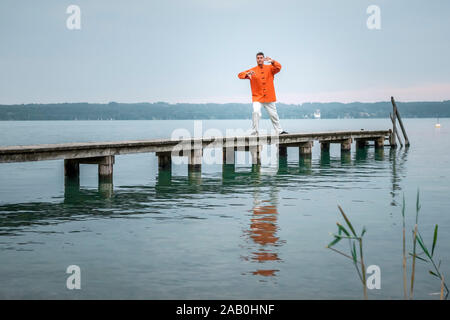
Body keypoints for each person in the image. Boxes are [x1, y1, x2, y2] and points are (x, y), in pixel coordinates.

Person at [238, 52, 288, 135]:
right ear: (256, 59)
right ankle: (255, 132)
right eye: (258, 58)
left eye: (261, 57)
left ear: (264, 59)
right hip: (257, 98)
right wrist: (247, 74)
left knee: (274, 115)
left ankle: (279, 131)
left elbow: (279, 67)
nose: (259, 59)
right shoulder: (252, 70)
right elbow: (239, 75)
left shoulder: (270, 68)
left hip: (269, 97)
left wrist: (272, 61)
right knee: (256, 112)